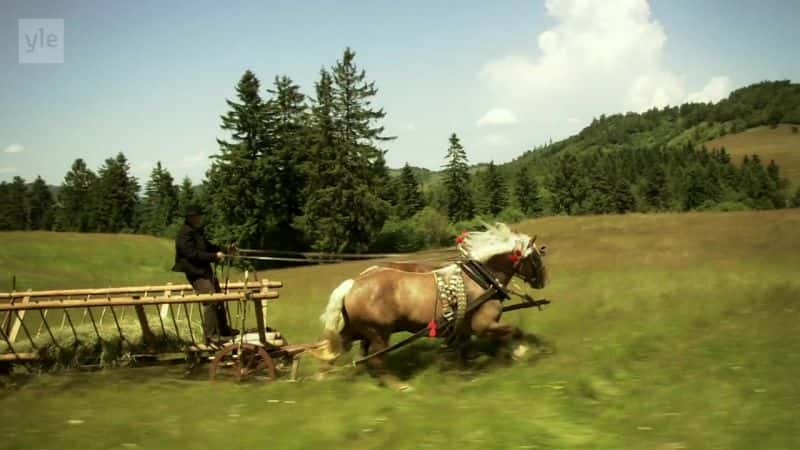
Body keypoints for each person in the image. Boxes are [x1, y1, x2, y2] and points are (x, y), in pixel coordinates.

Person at [171, 204, 237, 341]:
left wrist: (225, 249)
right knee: (211, 299)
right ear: (189, 217)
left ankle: (223, 330)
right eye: (196, 216)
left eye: (198, 216)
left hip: (205, 270)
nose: (198, 218)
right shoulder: (183, 235)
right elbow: (193, 255)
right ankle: (210, 335)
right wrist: (214, 256)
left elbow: (208, 247)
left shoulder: (196, 231)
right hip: (195, 272)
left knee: (219, 297)